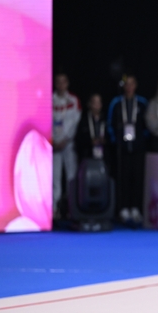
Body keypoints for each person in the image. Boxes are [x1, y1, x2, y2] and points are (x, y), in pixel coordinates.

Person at [107, 76, 148, 223]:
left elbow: (147, 123)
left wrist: (142, 139)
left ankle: (136, 208)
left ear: (135, 85)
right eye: (127, 84)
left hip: (138, 147)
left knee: (137, 177)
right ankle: (123, 208)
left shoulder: (142, 103)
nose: (129, 87)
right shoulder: (116, 102)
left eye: (132, 84)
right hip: (121, 147)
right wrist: (116, 140)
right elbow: (110, 123)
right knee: (122, 177)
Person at [52, 73, 82, 218]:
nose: (61, 85)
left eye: (63, 82)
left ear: (67, 83)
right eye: (58, 82)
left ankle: (71, 208)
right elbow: (45, 120)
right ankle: (54, 208)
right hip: (54, 145)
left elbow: (75, 122)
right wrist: (53, 140)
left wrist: (66, 138)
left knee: (71, 176)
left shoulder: (73, 100)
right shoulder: (50, 99)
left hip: (68, 144)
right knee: (55, 177)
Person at [75, 94, 107, 162]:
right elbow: (78, 139)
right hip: (88, 156)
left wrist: (105, 140)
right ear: (89, 104)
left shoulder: (105, 119)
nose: (97, 105)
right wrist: (90, 142)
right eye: (94, 102)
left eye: (98, 102)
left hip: (103, 156)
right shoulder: (84, 120)